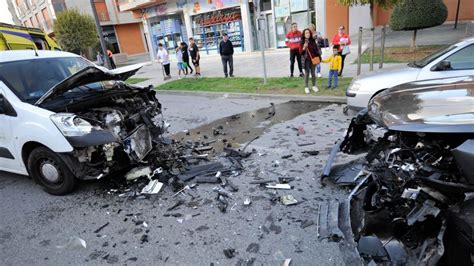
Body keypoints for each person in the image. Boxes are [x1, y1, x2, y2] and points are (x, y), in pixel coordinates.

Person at [300, 28, 320, 94]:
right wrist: (304, 47)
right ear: (304, 34)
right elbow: (300, 52)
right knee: (307, 73)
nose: (307, 34)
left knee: (313, 73)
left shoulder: (312, 41)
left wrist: (318, 57)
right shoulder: (302, 42)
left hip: (313, 59)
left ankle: (314, 86)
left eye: (308, 33)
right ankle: (306, 87)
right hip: (306, 60)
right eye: (306, 33)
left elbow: (316, 50)